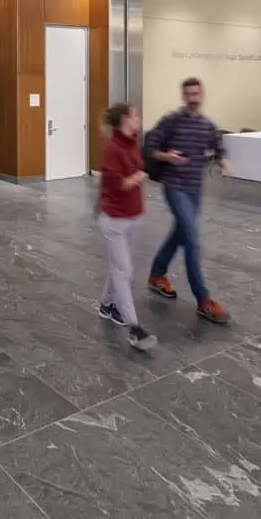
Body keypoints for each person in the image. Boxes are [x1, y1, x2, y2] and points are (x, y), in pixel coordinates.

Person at [145, 78, 230, 325]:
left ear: (202, 95)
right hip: (174, 187)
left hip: (195, 190)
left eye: (196, 93)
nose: (193, 98)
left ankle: (156, 275)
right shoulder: (171, 121)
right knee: (192, 241)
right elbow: (150, 147)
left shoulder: (207, 125)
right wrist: (166, 156)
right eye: (188, 94)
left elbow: (218, 144)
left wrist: (223, 159)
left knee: (180, 234)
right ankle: (203, 300)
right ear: (183, 96)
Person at [98, 102, 157, 351]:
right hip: (114, 220)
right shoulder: (112, 148)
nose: (139, 118)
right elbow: (117, 184)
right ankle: (134, 327)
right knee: (124, 271)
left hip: (133, 216)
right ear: (125, 119)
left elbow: (138, 168)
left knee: (118, 265)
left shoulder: (132, 142)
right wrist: (139, 177)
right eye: (135, 116)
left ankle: (106, 305)